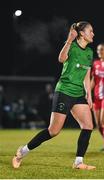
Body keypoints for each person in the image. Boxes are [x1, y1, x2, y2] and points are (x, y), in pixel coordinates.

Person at [12, 21, 96, 170]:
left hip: (78, 93)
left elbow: (86, 75)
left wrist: (89, 95)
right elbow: (61, 59)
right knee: (53, 131)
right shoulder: (72, 46)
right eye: (91, 31)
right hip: (64, 91)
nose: (93, 34)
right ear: (82, 33)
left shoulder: (89, 52)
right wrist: (69, 40)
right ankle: (22, 152)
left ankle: (78, 162)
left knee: (88, 126)